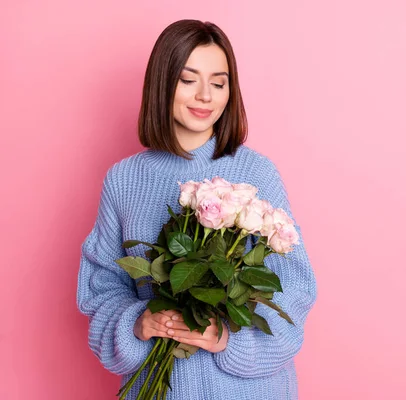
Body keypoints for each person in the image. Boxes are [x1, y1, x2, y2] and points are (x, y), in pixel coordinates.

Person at [76, 19, 317, 399]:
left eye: (218, 83)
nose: (205, 95)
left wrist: (227, 340)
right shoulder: (123, 180)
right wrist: (139, 323)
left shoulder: (255, 174)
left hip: (250, 390)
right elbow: (101, 287)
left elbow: (295, 288)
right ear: (162, 83)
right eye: (188, 80)